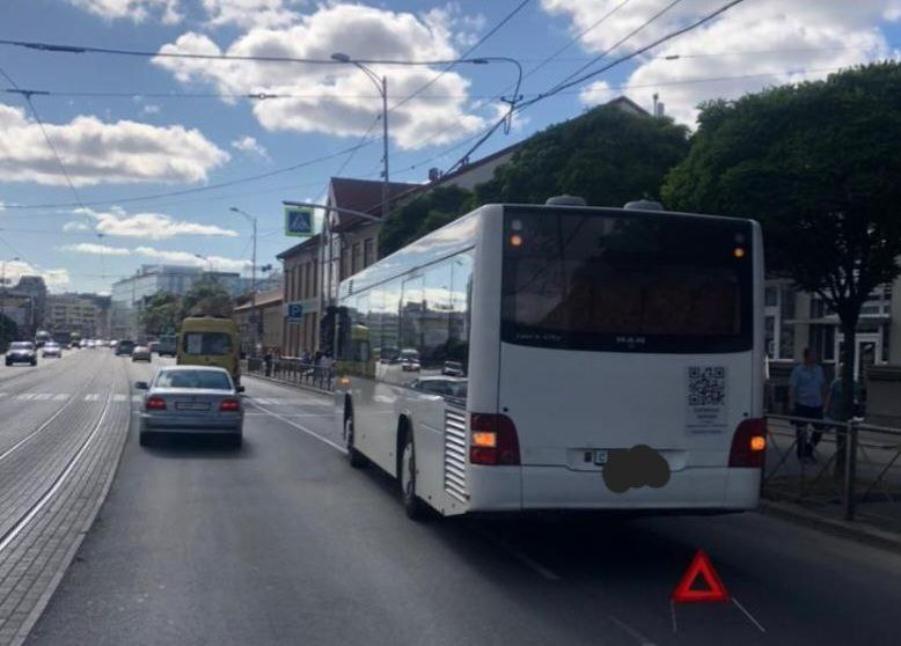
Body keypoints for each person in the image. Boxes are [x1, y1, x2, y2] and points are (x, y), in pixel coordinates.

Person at [788, 347, 828, 463]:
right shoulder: (798, 370)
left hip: (816, 405)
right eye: (813, 355)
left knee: (819, 429)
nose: (815, 357)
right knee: (801, 431)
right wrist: (791, 404)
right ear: (807, 356)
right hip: (802, 404)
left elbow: (822, 386)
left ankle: (808, 450)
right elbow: (792, 388)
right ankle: (801, 455)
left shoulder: (819, 369)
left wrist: (824, 403)